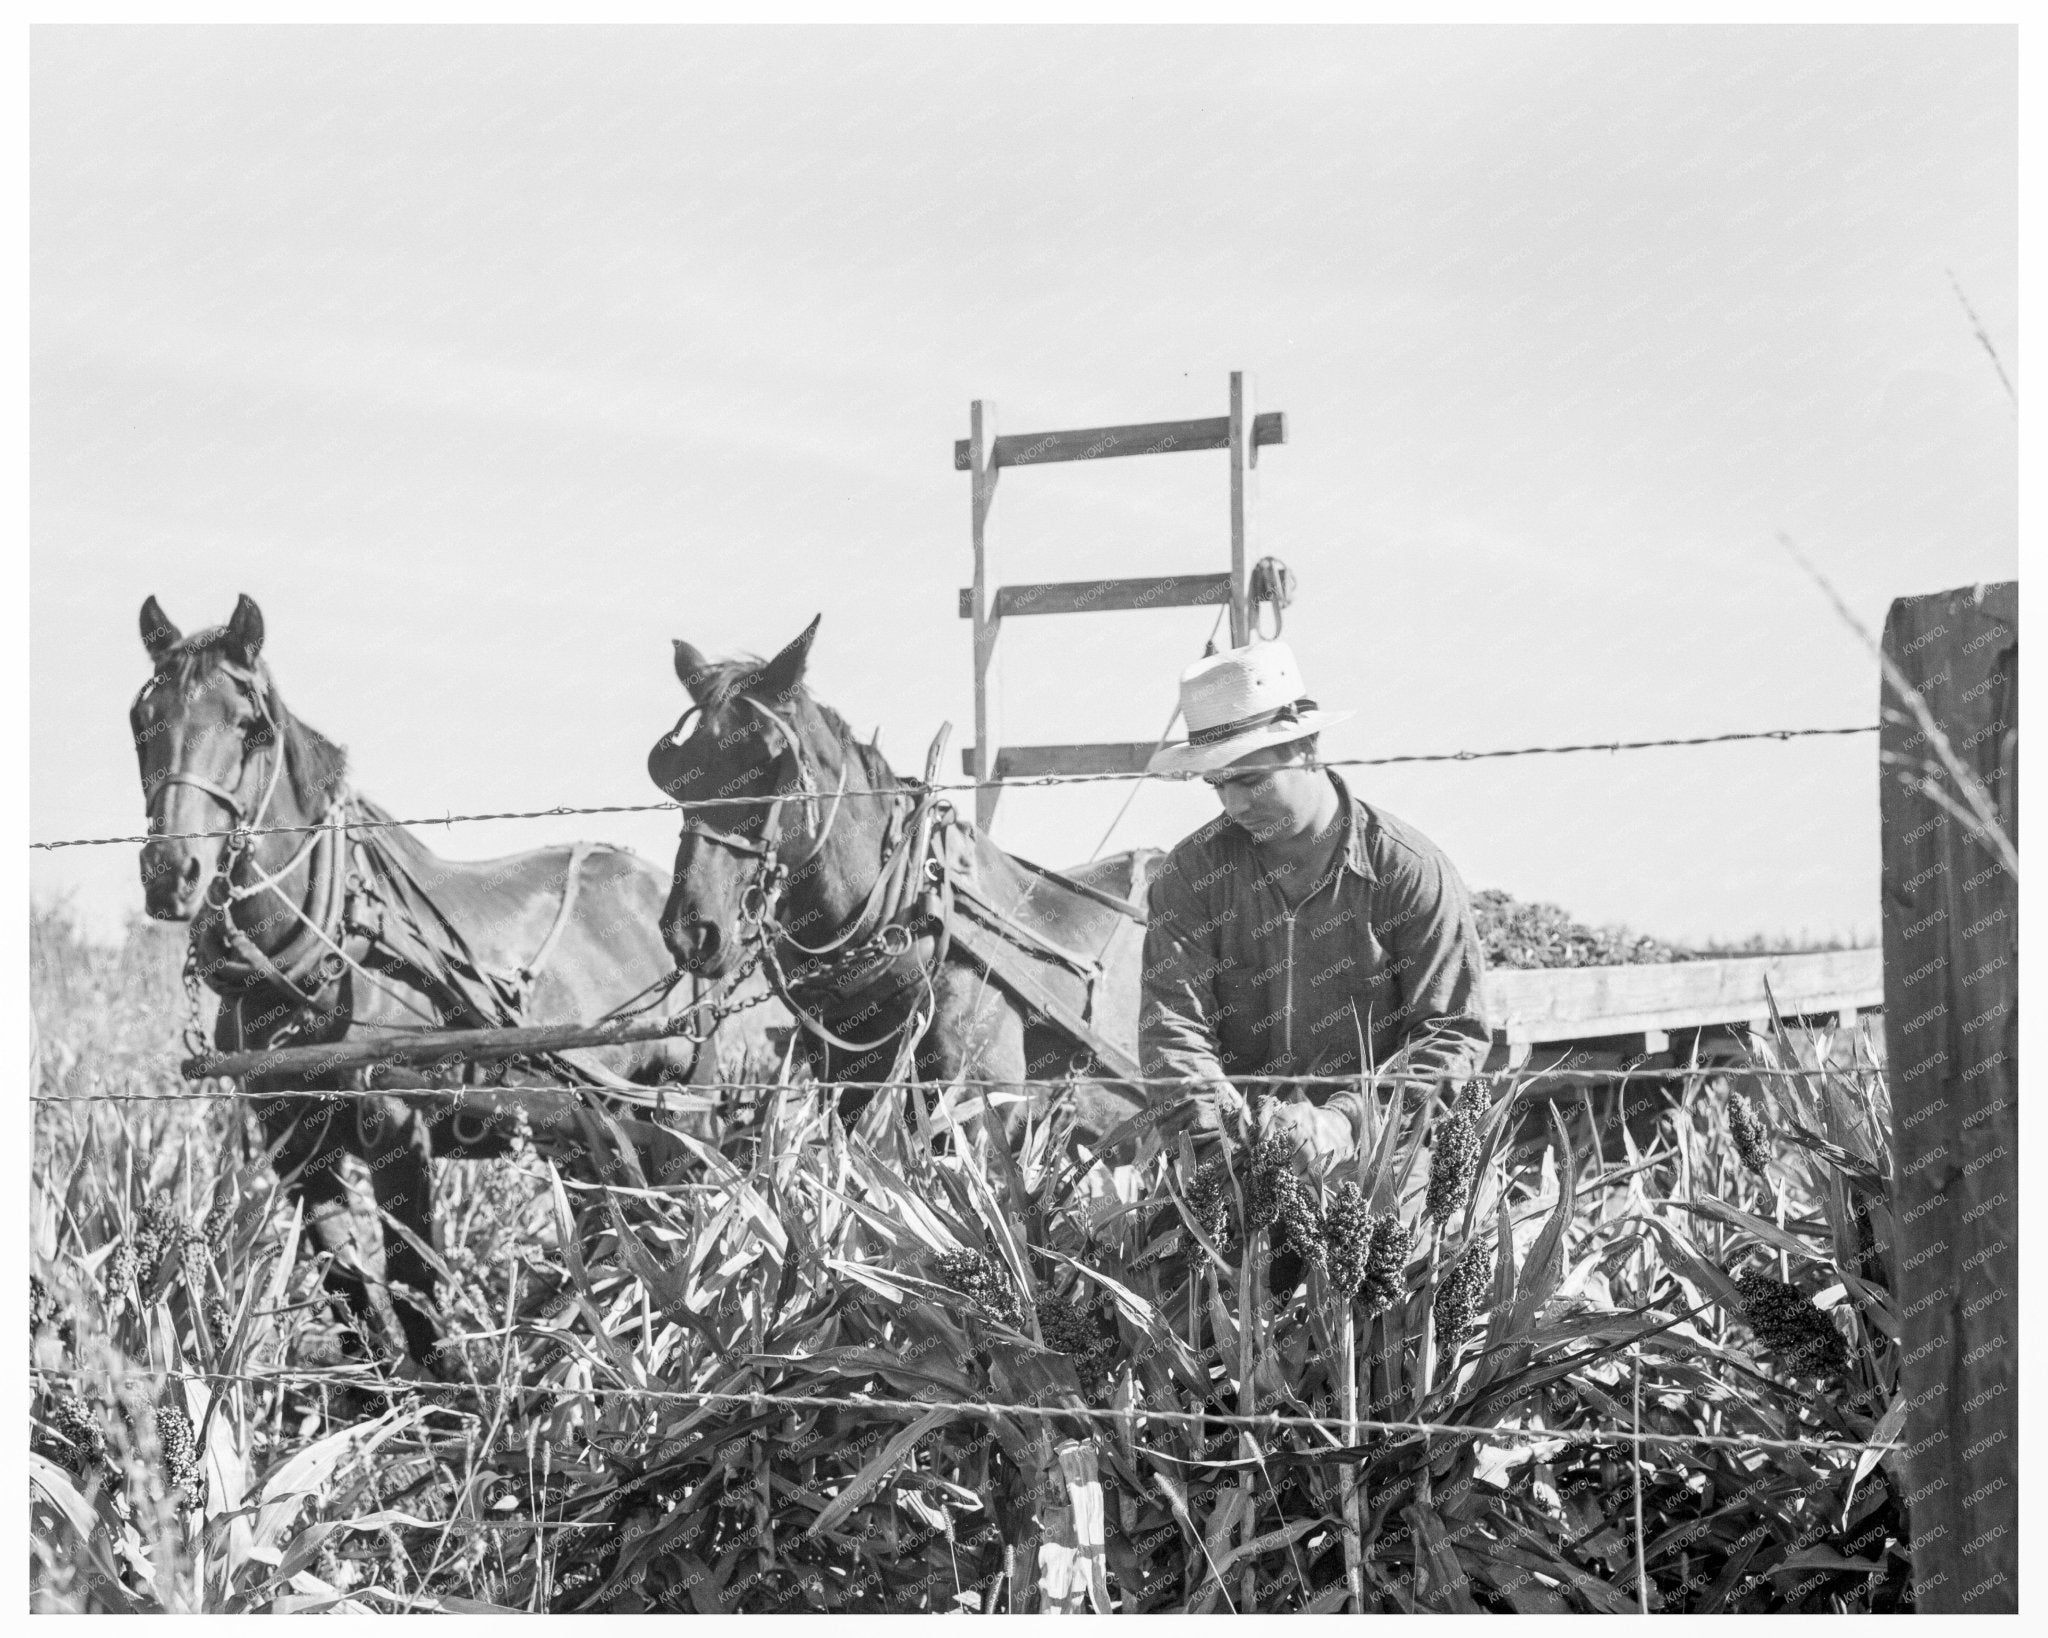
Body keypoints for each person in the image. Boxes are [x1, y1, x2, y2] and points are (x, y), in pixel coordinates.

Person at [1140, 640, 1491, 1169]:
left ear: (1307, 748)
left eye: (1251, 780)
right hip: (1233, 1161)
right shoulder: (1192, 876)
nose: (1234, 805)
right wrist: (1226, 1132)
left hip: (1383, 1160)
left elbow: (1450, 1035)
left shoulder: (1408, 871)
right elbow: (1172, 1029)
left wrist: (1346, 1122)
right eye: (1217, 785)